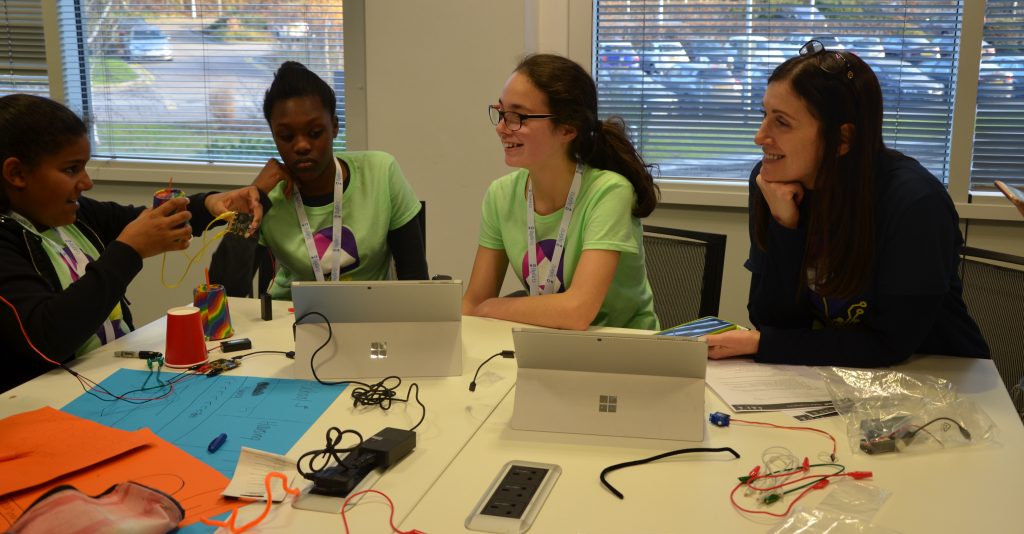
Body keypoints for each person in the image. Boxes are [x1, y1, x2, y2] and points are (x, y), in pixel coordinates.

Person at [705, 41, 989, 366]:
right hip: (840, 374)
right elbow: (772, 322)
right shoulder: (773, 183)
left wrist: (764, 344)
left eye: (781, 122)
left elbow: (890, 343)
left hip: (940, 374)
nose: (759, 136)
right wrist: (786, 226)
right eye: (764, 115)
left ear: (842, 140)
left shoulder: (915, 202)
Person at [0, 94, 265, 393]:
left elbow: (147, 220)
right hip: (42, 402)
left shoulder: (76, 214)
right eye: (71, 169)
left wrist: (211, 203)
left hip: (109, 381)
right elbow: (47, 337)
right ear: (17, 174)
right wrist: (129, 251)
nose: (87, 183)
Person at [462, 53, 660, 330]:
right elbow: (473, 305)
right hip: (546, 347)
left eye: (518, 116)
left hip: (622, 355)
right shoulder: (501, 195)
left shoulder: (610, 192)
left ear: (567, 130)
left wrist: (493, 307)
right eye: (501, 112)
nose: (501, 128)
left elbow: (577, 312)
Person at [252, 61, 428, 300]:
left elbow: (415, 280)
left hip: (368, 317)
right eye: (286, 136)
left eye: (314, 133)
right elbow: (226, 288)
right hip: (289, 321)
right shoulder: (268, 195)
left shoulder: (380, 173)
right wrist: (254, 196)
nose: (301, 145)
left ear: (334, 126)